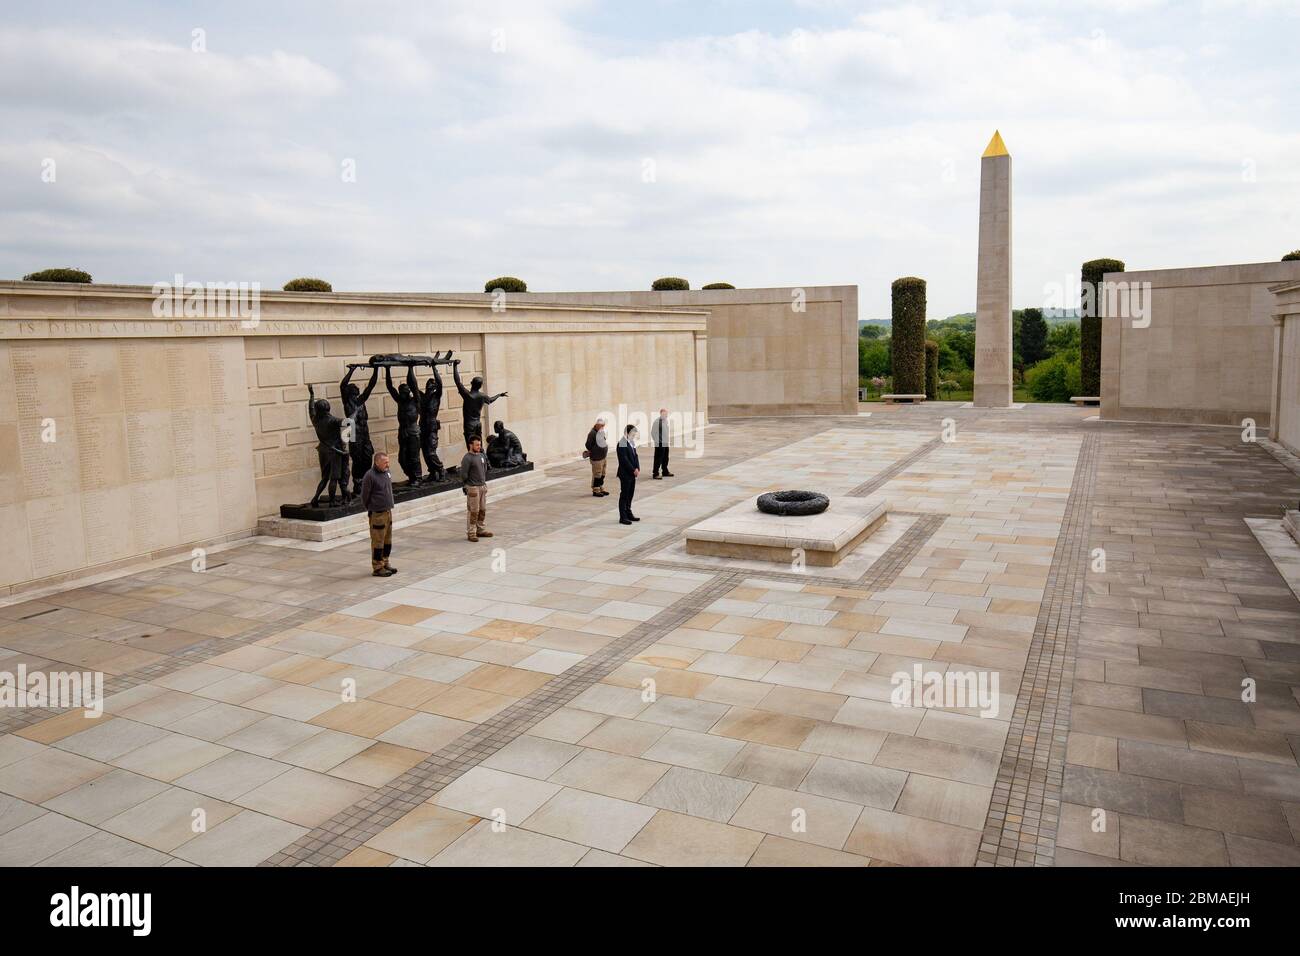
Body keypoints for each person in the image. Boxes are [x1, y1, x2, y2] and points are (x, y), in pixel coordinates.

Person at [307, 384, 350, 507]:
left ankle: (315, 498)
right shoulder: (333, 420)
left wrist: (311, 395)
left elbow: (310, 409)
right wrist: (346, 442)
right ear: (328, 408)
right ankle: (332, 501)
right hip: (334, 451)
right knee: (334, 478)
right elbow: (348, 422)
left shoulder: (315, 420)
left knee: (324, 477)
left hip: (322, 450)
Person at [340, 365, 379, 496]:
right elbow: (342, 384)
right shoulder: (347, 402)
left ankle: (365, 481)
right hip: (353, 434)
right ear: (350, 392)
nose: (357, 388)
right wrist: (352, 370)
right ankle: (358, 484)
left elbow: (371, 386)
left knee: (368, 457)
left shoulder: (361, 401)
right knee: (357, 459)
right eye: (355, 387)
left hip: (364, 433)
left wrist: (376, 370)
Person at [452, 359, 508, 446]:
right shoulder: (482, 396)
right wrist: (499, 395)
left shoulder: (467, 395)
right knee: (479, 445)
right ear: (480, 386)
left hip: (469, 425)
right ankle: (481, 458)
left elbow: (457, 381)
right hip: (477, 424)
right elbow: (490, 400)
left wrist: (454, 366)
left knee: (471, 445)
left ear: (471, 383)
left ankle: (476, 459)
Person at [360, 451, 397, 577]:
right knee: (378, 542)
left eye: (388, 461)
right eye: (385, 462)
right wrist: (370, 508)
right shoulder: (369, 476)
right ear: (377, 462)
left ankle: (385, 562)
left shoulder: (387, 472)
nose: (388, 464)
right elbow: (364, 495)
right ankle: (377, 567)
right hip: (378, 514)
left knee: (387, 540)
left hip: (388, 512)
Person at [385, 364, 423, 484]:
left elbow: (414, 385)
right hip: (402, 432)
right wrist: (387, 369)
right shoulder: (400, 401)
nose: (401, 394)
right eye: (400, 392)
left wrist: (410, 368)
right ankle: (411, 476)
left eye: (403, 392)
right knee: (402, 458)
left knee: (414, 457)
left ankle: (417, 478)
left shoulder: (415, 401)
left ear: (408, 393)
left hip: (413, 432)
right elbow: (390, 387)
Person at [460, 434, 492, 542]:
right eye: (477, 445)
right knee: (474, 511)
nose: (479, 447)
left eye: (480, 444)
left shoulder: (481, 456)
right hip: (473, 488)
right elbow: (464, 474)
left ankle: (480, 529)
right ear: (470, 445)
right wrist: (468, 486)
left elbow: (485, 469)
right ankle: (471, 532)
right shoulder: (467, 458)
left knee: (482, 510)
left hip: (482, 486)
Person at [418, 364, 446, 481]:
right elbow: (412, 385)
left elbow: (440, 383)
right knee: (425, 452)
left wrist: (434, 368)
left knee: (430, 452)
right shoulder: (422, 397)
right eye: (428, 384)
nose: (429, 385)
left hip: (432, 427)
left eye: (432, 384)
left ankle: (440, 470)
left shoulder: (436, 396)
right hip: (422, 427)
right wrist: (410, 368)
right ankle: (433, 472)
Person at [616, 423, 640, 525]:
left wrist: (638, 468)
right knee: (624, 495)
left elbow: (635, 456)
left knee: (630, 494)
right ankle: (623, 516)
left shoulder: (631, 442)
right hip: (625, 474)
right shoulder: (622, 443)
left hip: (632, 473)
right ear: (627, 433)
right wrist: (633, 470)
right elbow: (624, 460)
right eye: (633, 434)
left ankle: (629, 513)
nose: (634, 436)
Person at [583, 418, 609, 498]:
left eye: (603, 426)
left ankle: (601, 487)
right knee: (597, 474)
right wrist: (594, 450)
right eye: (601, 426)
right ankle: (596, 490)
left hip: (603, 457)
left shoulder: (600, 432)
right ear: (597, 425)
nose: (602, 427)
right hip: (596, 458)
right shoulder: (592, 433)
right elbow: (588, 445)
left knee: (603, 474)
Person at [650, 407, 674, 479]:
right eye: (664, 414)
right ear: (661, 414)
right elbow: (653, 433)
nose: (666, 415)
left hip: (665, 443)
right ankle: (655, 473)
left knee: (665, 458)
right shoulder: (657, 422)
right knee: (658, 459)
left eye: (666, 414)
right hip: (660, 443)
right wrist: (657, 441)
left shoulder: (665, 421)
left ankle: (665, 471)